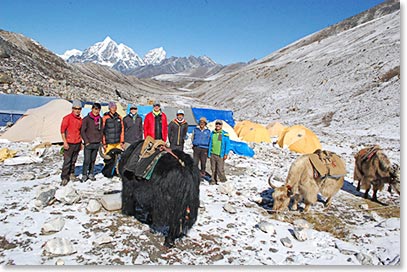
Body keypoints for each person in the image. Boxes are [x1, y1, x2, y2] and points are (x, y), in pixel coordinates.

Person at [60, 100, 83, 186]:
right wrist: (64, 142)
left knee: (73, 160)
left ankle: (71, 173)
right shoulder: (67, 118)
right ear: (72, 109)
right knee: (67, 161)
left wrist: (81, 143)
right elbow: (62, 131)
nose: (77, 110)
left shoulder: (80, 120)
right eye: (75, 108)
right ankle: (64, 177)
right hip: (69, 142)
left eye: (79, 109)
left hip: (77, 142)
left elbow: (80, 131)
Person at [80, 102, 102, 182]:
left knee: (93, 159)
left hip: (96, 142)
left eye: (98, 110)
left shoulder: (100, 119)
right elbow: (82, 131)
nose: (96, 111)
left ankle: (91, 173)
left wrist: (100, 140)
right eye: (95, 109)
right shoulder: (86, 119)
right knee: (87, 160)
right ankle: (84, 174)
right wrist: (86, 141)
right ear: (92, 109)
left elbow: (101, 130)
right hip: (89, 143)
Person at [208, 120, 231, 185]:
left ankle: (223, 180)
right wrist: (209, 153)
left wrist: (226, 154)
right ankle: (213, 180)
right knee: (213, 168)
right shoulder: (213, 133)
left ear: (221, 126)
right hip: (213, 153)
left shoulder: (224, 134)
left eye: (219, 124)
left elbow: (228, 145)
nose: (218, 125)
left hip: (220, 154)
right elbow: (210, 143)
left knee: (220, 169)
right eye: (217, 124)